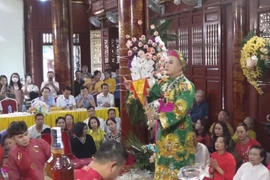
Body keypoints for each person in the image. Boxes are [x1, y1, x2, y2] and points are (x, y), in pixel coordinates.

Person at [125, 49, 195, 179]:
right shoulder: (163, 83)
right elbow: (148, 95)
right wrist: (134, 89)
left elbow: (180, 110)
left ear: (180, 66)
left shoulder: (186, 86)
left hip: (179, 130)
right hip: (164, 130)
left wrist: (158, 116)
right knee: (163, 162)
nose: (166, 65)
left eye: (171, 62)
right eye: (166, 62)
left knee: (178, 163)